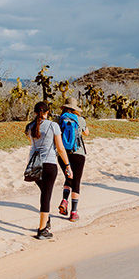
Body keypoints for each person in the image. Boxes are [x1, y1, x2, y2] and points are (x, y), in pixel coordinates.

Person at [26, 101, 73, 239]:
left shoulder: (30, 126)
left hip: (34, 165)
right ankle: (42, 229)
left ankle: (46, 221)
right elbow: (60, 148)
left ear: (35, 113)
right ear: (48, 112)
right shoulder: (53, 126)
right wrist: (67, 165)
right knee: (46, 196)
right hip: (49, 164)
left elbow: (33, 144)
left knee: (44, 192)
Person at [56, 97, 89, 222]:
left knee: (68, 177)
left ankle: (65, 200)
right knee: (76, 182)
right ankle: (74, 212)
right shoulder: (80, 119)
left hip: (63, 154)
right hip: (78, 154)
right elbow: (87, 133)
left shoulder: (60, 119)